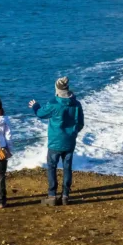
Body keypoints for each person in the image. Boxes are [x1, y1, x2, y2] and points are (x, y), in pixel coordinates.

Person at [28, 76, 84, 206]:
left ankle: (52, 195)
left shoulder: (54, 103)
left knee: (52, 167)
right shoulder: (76, 104)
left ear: (57, 89)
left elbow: (40, 114)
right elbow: (80, 123)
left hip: (55, 141)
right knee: (67, 167)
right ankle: (65, 195)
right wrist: (73, 132)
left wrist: (35, 106)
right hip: (70, 141)